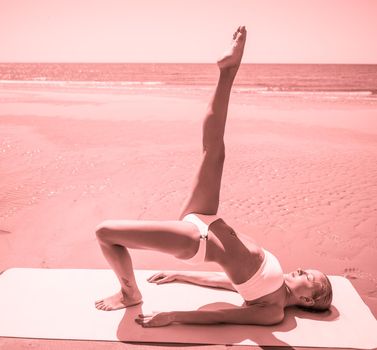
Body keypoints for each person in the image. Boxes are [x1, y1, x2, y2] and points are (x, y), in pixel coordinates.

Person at [94, 26, 333, 327]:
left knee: (105, 232)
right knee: (214, 149)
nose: (301, 271)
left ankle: (129, 292)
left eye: (309, 277)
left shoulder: (272, 309)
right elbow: (227, 282)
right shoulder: (274, 285)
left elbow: (224, 316)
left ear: (309, 299)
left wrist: (174, 317)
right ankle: (228, 71)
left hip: (199, 241)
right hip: (205, 217)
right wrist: (181, 275)